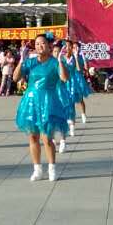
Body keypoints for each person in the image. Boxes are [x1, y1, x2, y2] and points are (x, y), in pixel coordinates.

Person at [15, 34, 72, 181]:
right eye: (37, 44)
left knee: (47, 138)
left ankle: (52, 168)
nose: (40, 46)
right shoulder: (31, 62)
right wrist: (21, 61)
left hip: (48, 102)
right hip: (31, 102)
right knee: (33, 136)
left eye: (43, 43)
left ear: (49, 46)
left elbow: (64, 78)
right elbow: (15, 77)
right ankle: (37, 169)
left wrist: (60, 61)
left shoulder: (54, 62)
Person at [67, 39, 91, 124]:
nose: (75, 49)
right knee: (70, 99)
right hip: (70, 79)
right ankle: (71, 116)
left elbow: (83, 68)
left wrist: (80, 58)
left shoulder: (81, 57)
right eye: (73, 47)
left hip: (78, 79)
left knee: (80, 99)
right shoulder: (69, 56)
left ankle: (83, 114)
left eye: (76, 47)